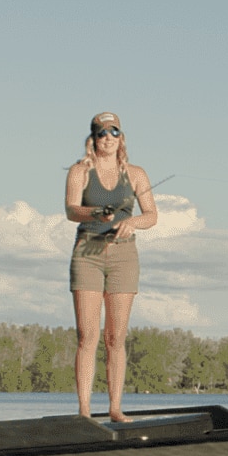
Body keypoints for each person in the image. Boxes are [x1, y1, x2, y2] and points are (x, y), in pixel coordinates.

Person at [65, 112, 157, 421]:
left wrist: (131, 222)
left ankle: (115, 408)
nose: (108, 137)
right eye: (102, 132)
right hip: (87, 252)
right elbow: (71, 210)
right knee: (87, 335)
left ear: (122, 137)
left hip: (124, 256)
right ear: (92, 138)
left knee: (116, 338)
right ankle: (84, 412)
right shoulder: (79, 171)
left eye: (114, 131)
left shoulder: (136, 174)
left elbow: (151, 215)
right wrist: (95, 214)